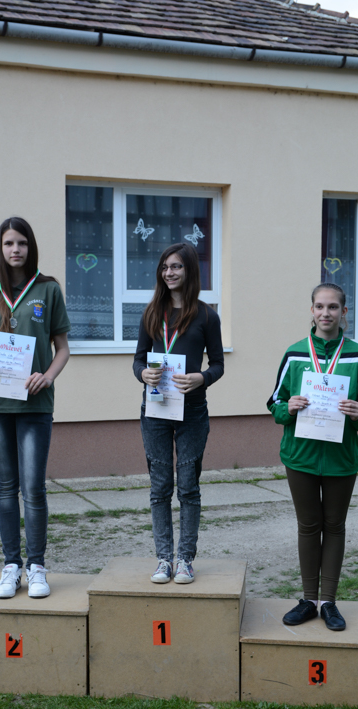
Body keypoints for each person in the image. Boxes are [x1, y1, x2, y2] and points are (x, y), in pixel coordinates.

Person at [0, 218, 70, 600]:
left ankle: (37, 565)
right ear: (1, 247)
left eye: (22, 243)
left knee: (33, 487)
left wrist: (48, 376)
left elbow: (63, 349)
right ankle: (11, 565)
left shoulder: (48, 289)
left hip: (35, 403)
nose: (15, 250)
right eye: (9, 243)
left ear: (30, 247)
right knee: (5, 486)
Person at [267, 282, 358, 630]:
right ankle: (308, 600)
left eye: (333, 307)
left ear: (343, 312)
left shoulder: (357, 356)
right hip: (300, 456)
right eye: (319, 306)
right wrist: (289, 407)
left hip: (340, 458)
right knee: (308, 526)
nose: (325, 313)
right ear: (312, 310)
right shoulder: (295, 354)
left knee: (334, 526)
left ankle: (328, 601)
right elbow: (274, 402)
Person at [133, 243, 224, 584]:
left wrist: (202, 378)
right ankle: (163, 560)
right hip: (156, 408)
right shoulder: (151, 313)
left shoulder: (206, 316)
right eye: (165, 267)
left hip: (192, 410)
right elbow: (138, 360)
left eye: (176, 267)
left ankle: (185, 559)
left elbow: (218, 364)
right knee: (160, 487)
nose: (169, 273)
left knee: (187, 487)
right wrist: (143, 374)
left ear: (189, 271)